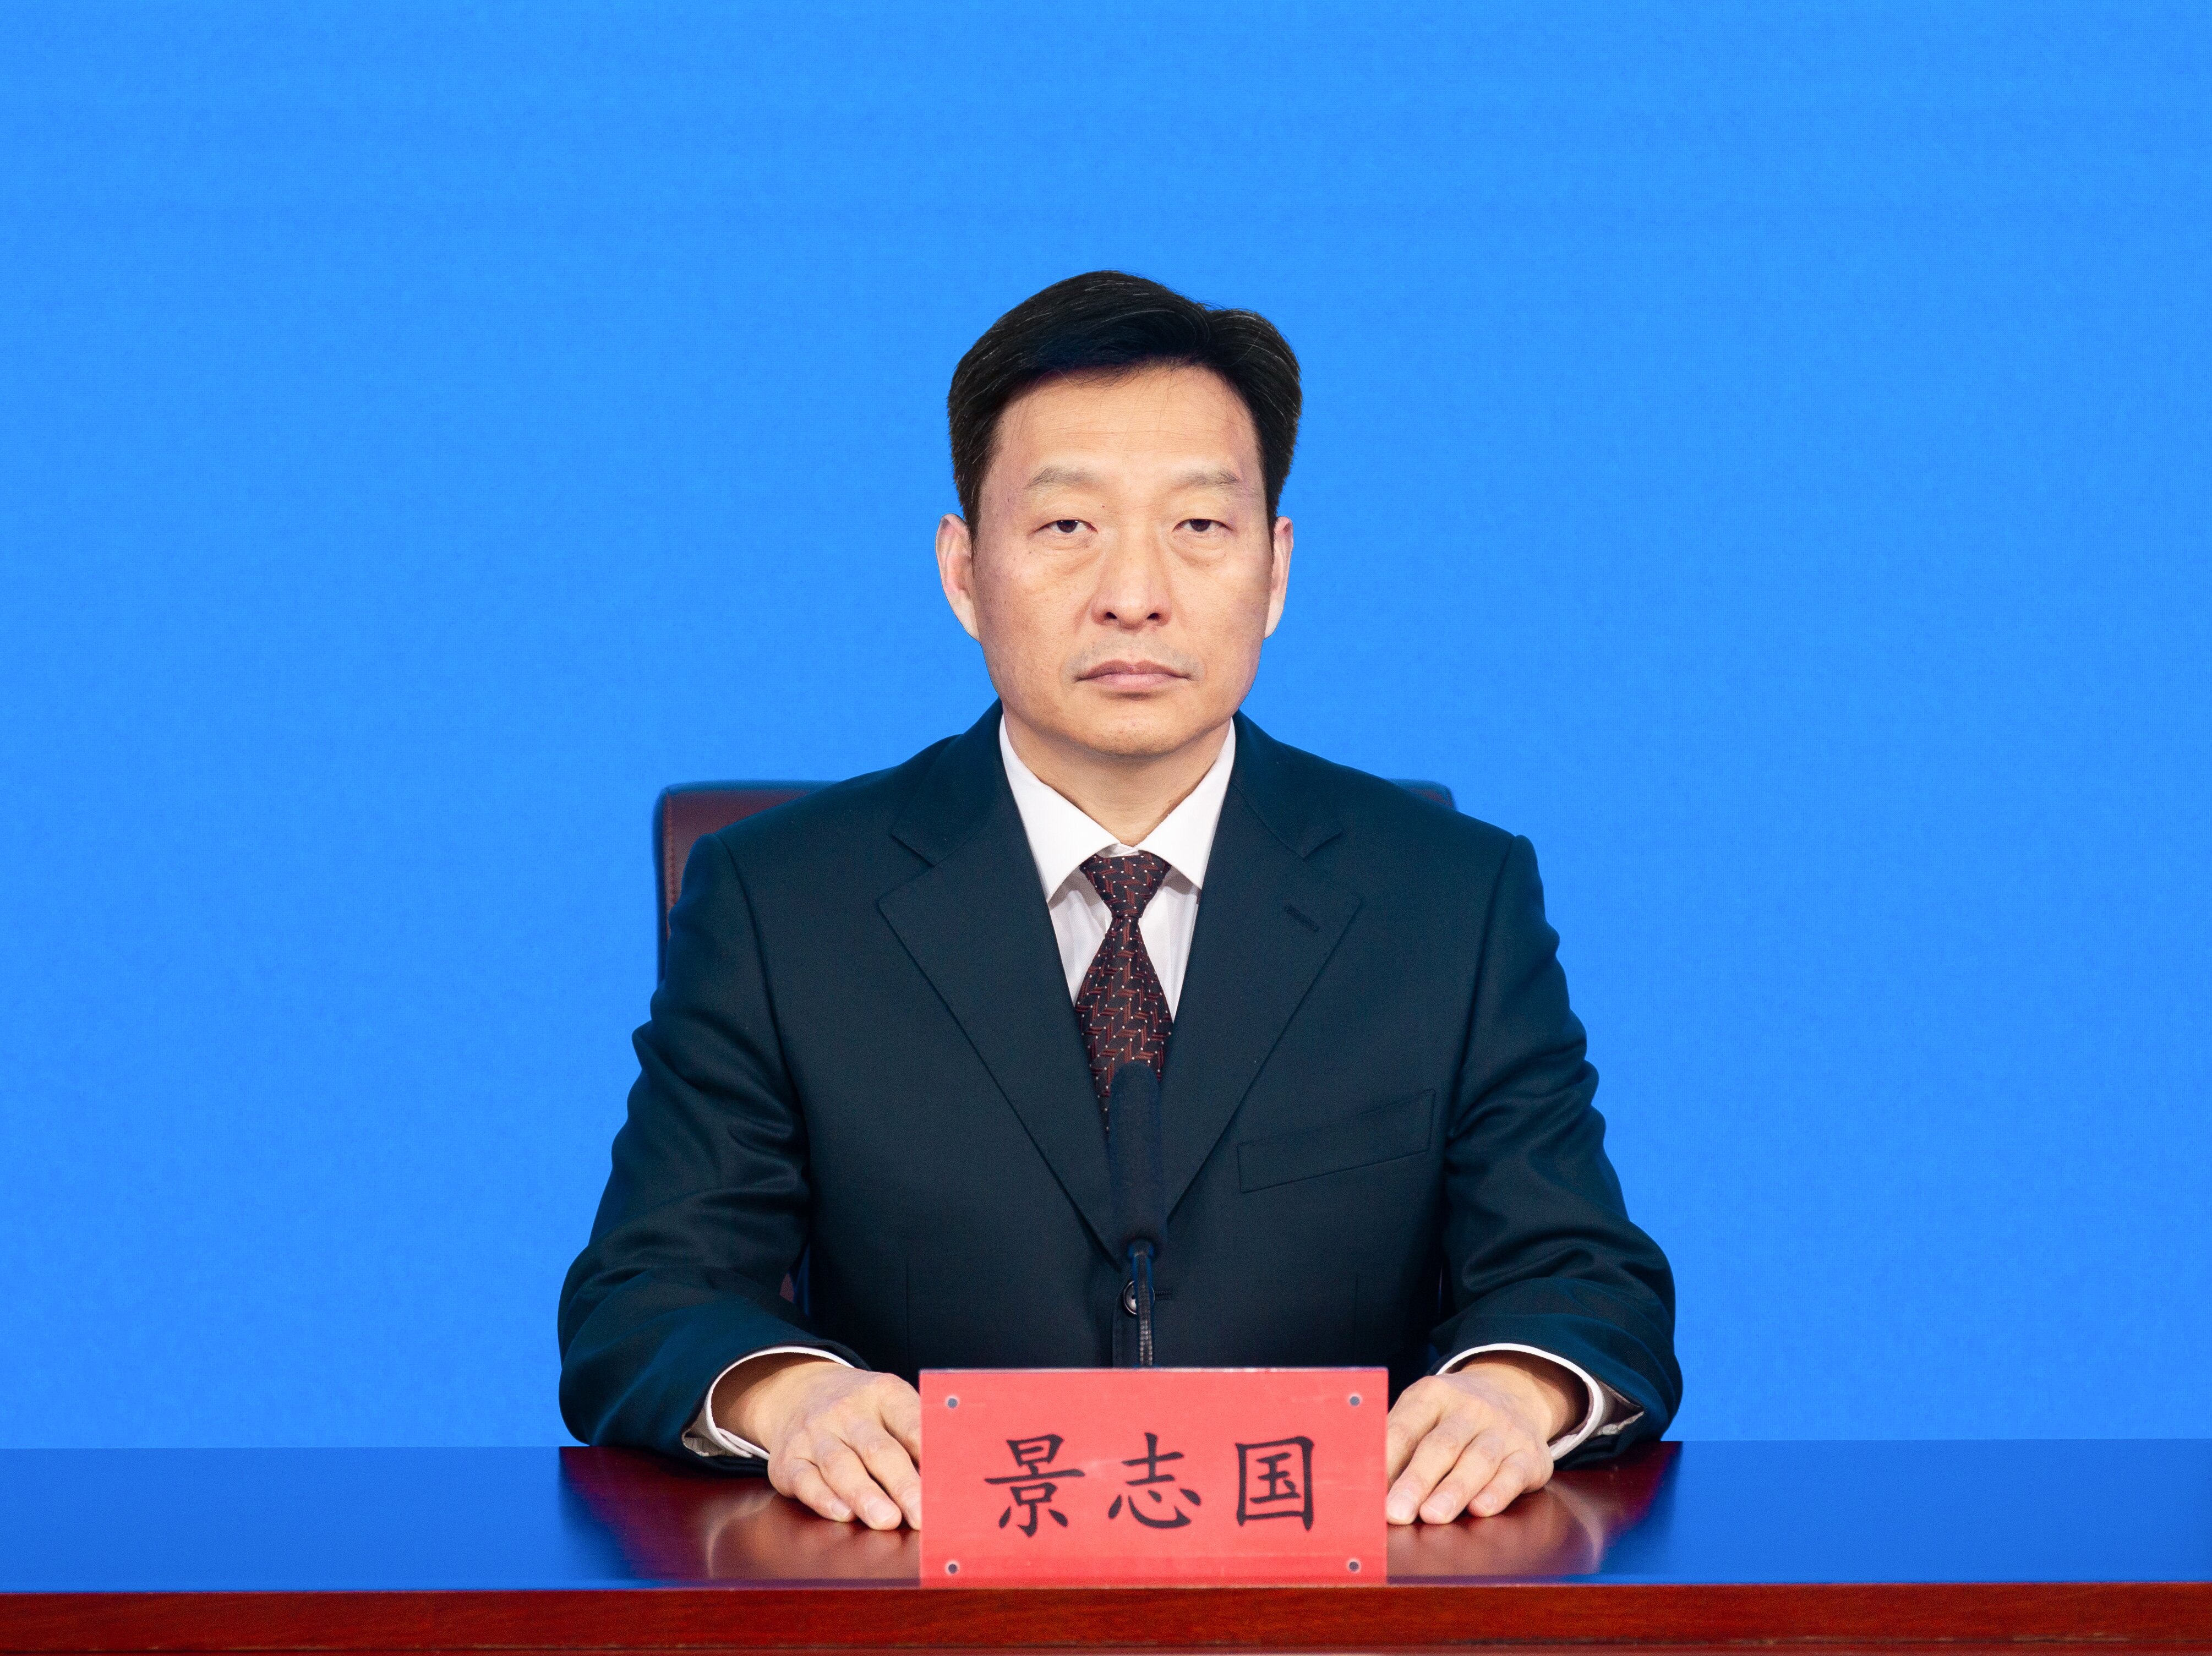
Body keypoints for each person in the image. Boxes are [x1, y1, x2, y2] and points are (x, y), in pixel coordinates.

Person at [559, 271, 1679, 1533]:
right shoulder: (784, 902)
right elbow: (643, 1295)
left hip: (1334, 1600)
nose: (1133, 592)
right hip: (922, 1592)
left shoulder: (1448, 901)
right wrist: (790, 1394)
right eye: (1066, 525)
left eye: (1198, 525)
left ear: (1275, 569)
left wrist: (1514, 1388)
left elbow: (1586, 1279)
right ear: (963, 570)